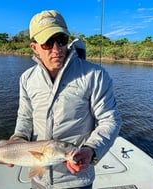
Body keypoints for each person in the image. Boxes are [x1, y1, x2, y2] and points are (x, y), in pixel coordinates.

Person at [9, 10, 122, 189]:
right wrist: (18, 140)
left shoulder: (95, 75)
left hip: (77, 180)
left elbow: (110, 120)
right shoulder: (27, 79)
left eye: (61, 40)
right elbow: (25, 118)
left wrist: (91, 150)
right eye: (47, 43)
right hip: (39, 178)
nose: (56, 49)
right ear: (34, 47)